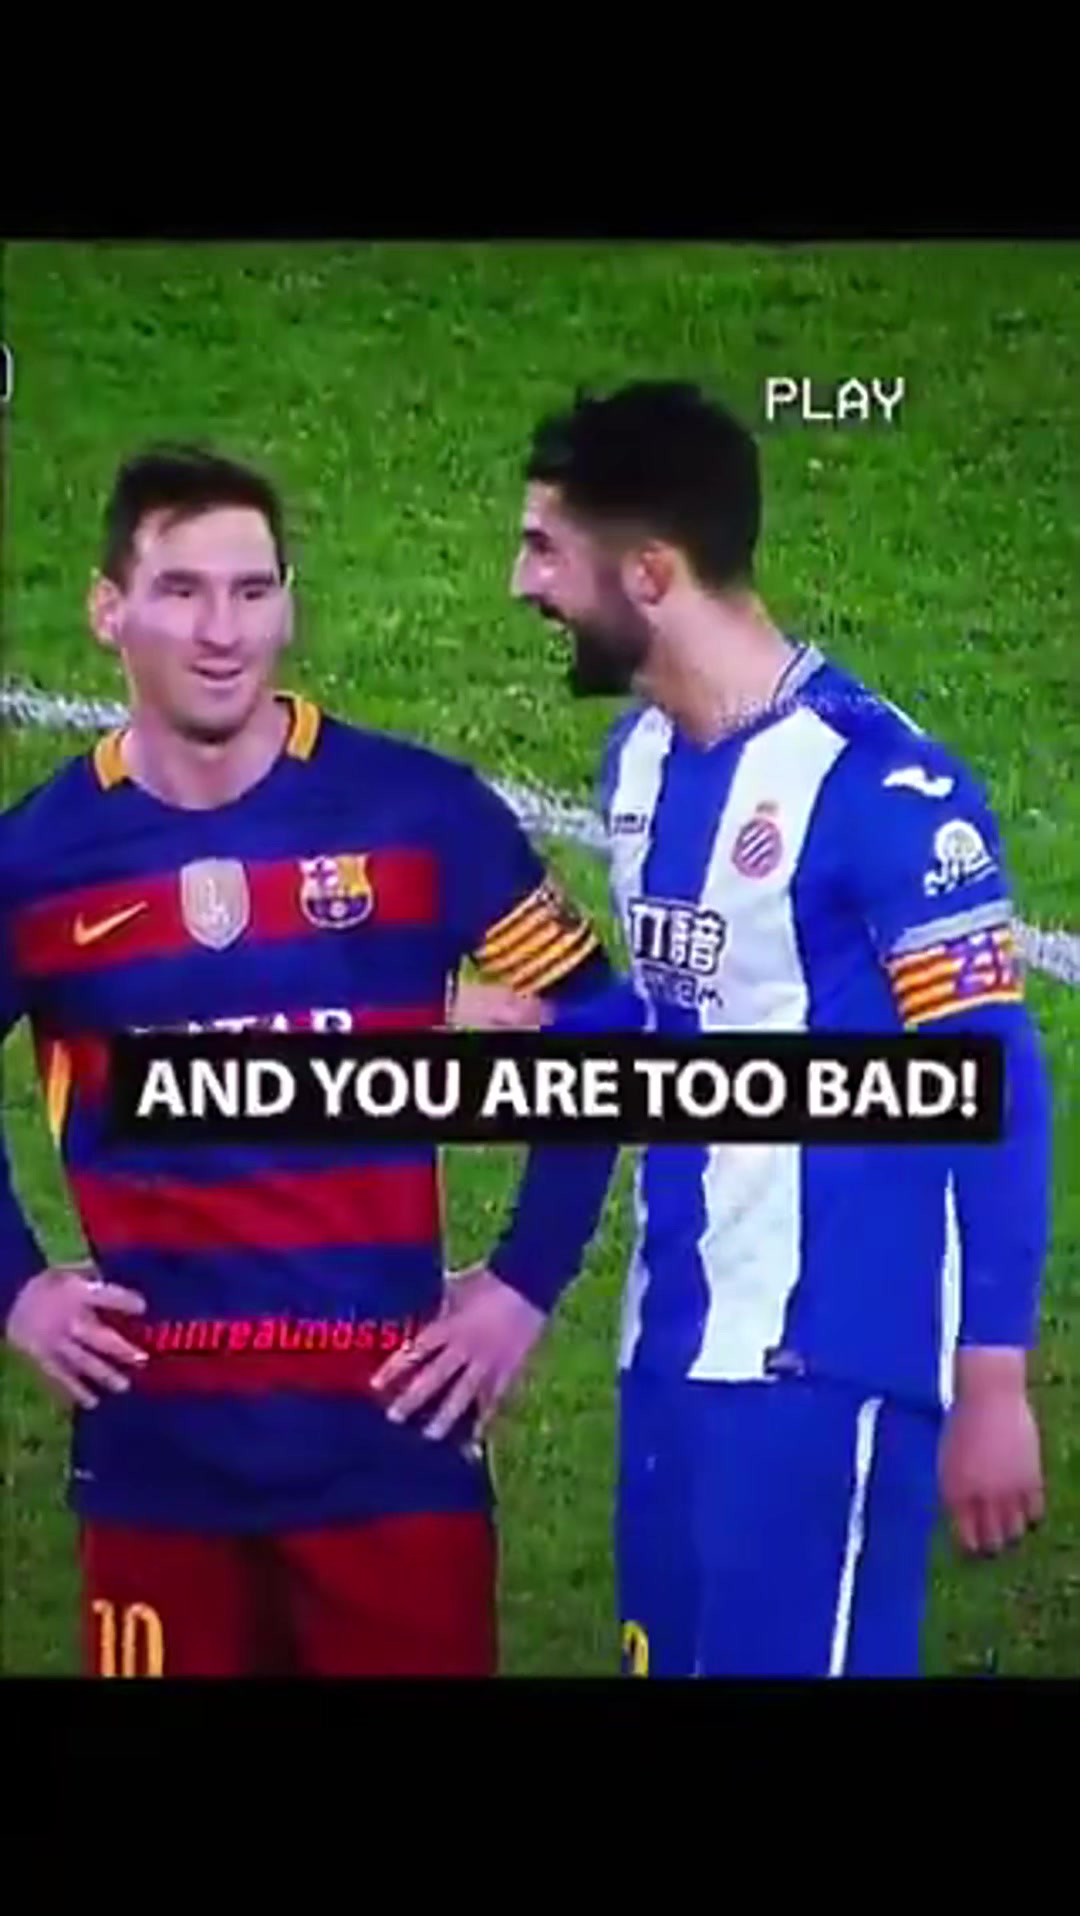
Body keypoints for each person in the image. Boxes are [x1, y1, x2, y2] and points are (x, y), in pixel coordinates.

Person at [379, 381, 1051, 1677]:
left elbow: (998, 1089)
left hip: (824, 1365)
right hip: (671, 1344)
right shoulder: (639, 760)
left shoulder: (882, 792)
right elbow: (677, 1028)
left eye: (545, 549)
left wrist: (993, 1380)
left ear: (648, 572)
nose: (523, 583)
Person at [0, 443, 617, 1678]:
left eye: (252, 589)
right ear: (109, 609)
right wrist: (18, 1287)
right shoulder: (39, 861)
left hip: (391, 1452)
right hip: (158, 1465)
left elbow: (593, 1025)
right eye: (181, 590)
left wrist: (521, 1283)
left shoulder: (418, 815)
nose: (222, 630)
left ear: (287, 604)